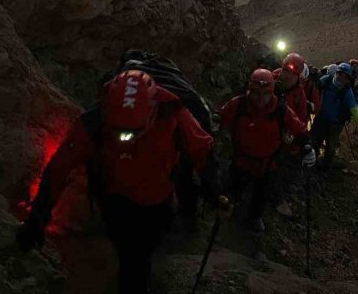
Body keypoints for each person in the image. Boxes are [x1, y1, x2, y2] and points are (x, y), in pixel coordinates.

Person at [16, 69, 228, 293]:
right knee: (132, 255)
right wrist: (38, 218)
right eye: (119, 131)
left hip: (153, 202)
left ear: (151, 112)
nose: (125, 138)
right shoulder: (96, 121)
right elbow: (60, 168)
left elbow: (202, 152)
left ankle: (139, 273)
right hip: (119, 200)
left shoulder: (171, 112)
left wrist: (215, 192)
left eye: (132, 132)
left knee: (141, 251)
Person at [218, 68, 314, 233]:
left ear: (272, 92)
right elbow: (220, 117)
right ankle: (231, 212)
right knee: (234, 189)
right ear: (250, 89)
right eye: (256, 93)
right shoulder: (238, 104)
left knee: (262, 194)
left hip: (268, 163)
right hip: (242, 159)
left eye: (265, 93)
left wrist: (307, 146)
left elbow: (299, 129)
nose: (260, 98)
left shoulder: (281, 110)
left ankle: (253, 217)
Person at [311, 62, 358, 169]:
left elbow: (354, 109)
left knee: (330, 146)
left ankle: (325, 166)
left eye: (344, 75)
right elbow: (314, 88)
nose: (340, 77)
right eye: (339, 73)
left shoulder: (347, 91)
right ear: (336, 73)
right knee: (315, 141)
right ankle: (312, 160)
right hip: (322, 118)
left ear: (348, 78)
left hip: (335, 123)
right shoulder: (327, 80)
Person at [274, 53, 309, 126]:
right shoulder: (271, 79)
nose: (289, 76)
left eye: (293, 74)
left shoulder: (299, 94)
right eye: (286, 71)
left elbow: (302, 119)